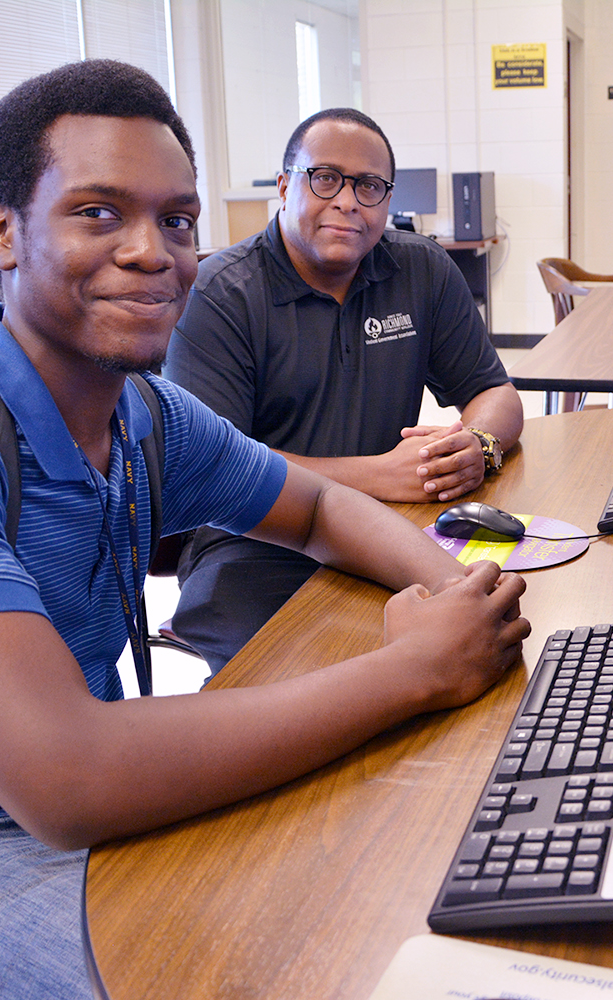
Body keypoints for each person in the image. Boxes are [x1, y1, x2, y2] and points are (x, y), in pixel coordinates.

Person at [0, 60, 529, 1000]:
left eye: (176, 220)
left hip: (91, 819)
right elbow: (67, 778)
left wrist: (449, 593)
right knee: (241, 978)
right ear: (2, 232)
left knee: (379, 882)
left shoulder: (145, 414)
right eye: (99, 212)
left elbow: (314, 506)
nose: (153, 252)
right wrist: (414, 668)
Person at [164, 107, 525, 672]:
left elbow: (495, 391)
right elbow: (212, 470)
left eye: (369, 186)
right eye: (325, 178)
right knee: (316, 698)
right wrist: (381, 473)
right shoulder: (221, 295)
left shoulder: (419, 269)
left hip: (392, 528)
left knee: (489, 640)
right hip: (252, 548)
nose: (348, 201)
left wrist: (478, 444)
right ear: (284, 187)